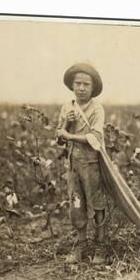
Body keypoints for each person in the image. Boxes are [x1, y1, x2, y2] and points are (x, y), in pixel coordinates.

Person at [56, 62, 108, 263]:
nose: (81, 88)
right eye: (78, 83)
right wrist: (66, 124)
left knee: (96, 203)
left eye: (86, 84)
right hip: (73, 164)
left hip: (92, 163)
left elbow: (95, 137)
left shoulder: (97, 109)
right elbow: (59, 137)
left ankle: (100, 246)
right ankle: (81, 245)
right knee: (76, 203)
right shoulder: (66, 108)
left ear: (93, 88)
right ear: (72, 85)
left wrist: (68, 134)